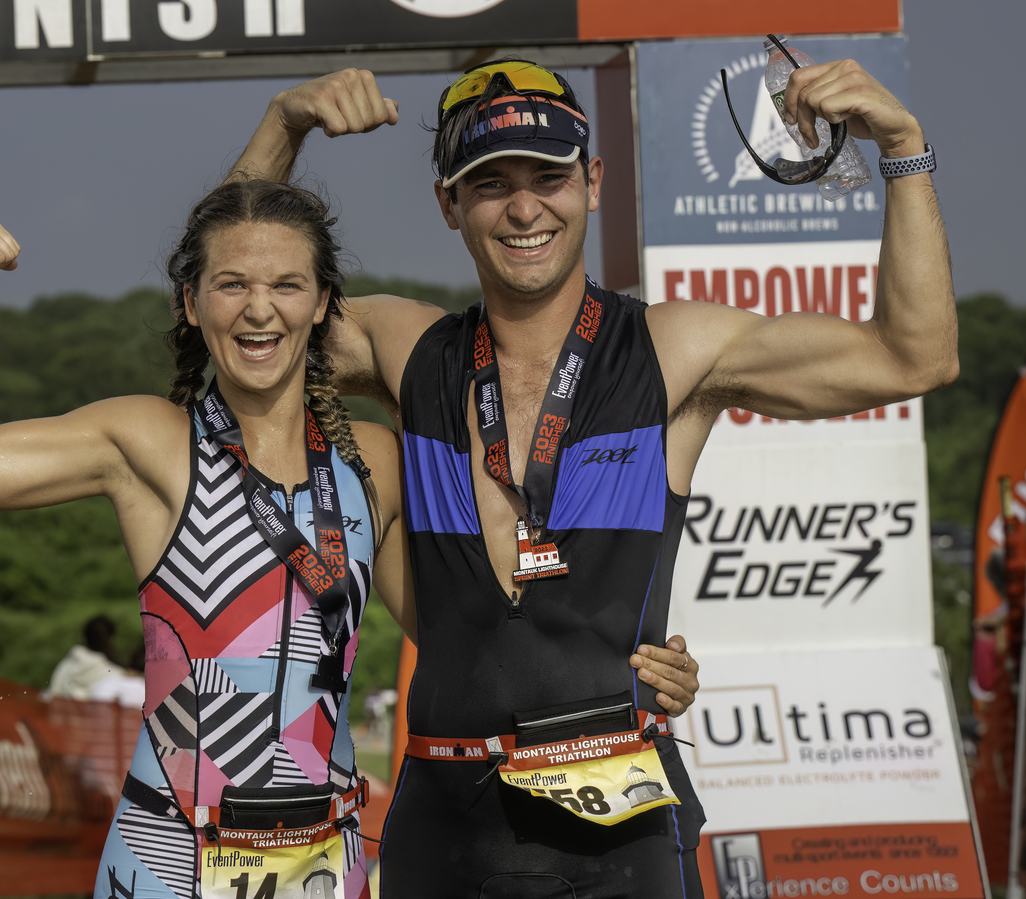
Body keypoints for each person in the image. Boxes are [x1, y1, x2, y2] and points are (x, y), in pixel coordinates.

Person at [227, 57, 957, 898]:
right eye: (491, 183)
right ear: (449, 205)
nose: (525, 206)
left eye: (549, 176)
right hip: (444, 820)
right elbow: (233, 312)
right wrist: (284, 127)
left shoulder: (673, 350)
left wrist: (903, 147)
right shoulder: (407, 347)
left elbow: (917, 356)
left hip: (621, 825)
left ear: (593, 182)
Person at [0, 177, 704, 898]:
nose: (260, 309)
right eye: (230, 284)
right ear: (190, 303)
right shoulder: (149, 441)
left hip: (328, 859)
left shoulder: (373, 461)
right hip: (174, 856)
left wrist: (636, 666)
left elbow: (473, 634)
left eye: (286, 284)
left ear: (322, 306)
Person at [45, 614, 130, 701]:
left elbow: (51, 695)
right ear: (112, 640)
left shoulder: (65, 665)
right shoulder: (118, 675)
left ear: (84, 638)